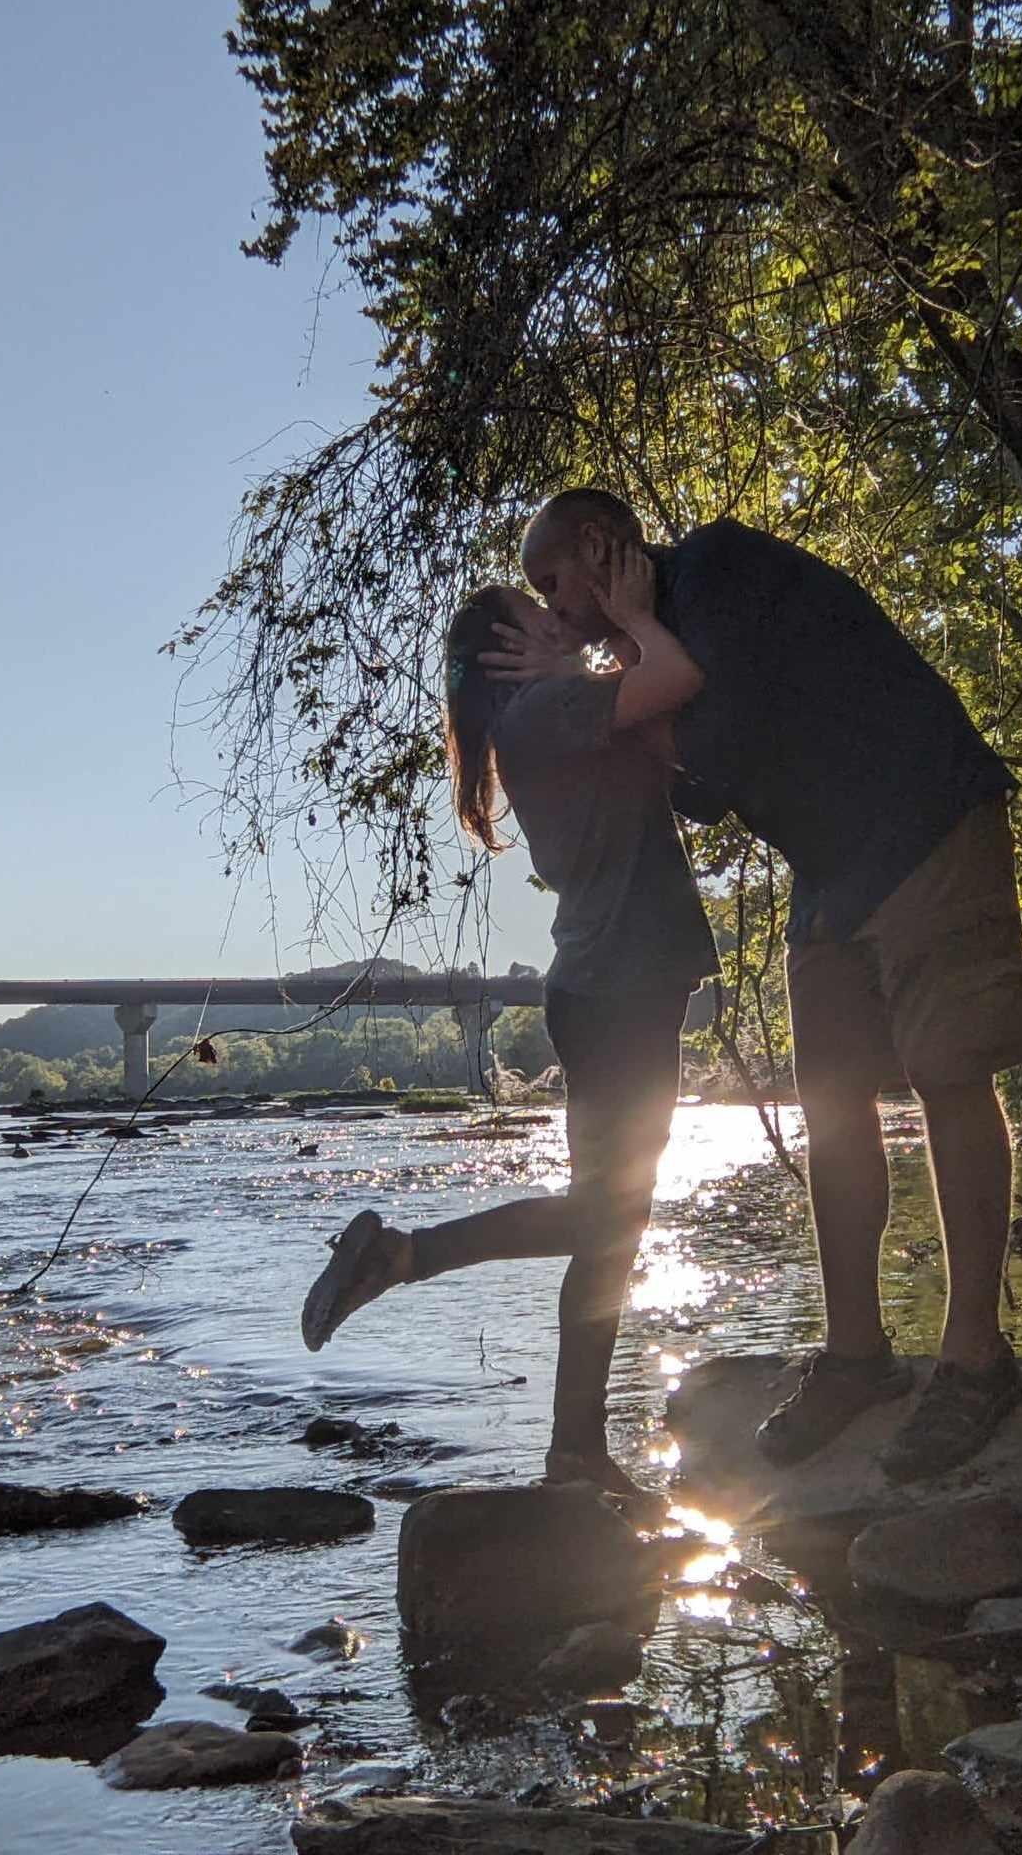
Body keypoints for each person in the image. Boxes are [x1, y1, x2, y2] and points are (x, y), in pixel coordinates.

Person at [511, 489, 1022, 1483]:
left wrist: (630, 640)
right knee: (833, 1105)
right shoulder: (657, 639)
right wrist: (627, 659)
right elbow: (704, 796)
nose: (552, 609)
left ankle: (977, 1357)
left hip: (927, 817)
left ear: (597, 548)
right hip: (833, 870)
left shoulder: (721, 568)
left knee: (951, 1075)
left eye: (552, 583)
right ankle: (856, 1358)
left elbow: (715, 742)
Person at [299, 545, 715, 1498]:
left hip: (608, 985)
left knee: (608, 1230)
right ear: (505, 654)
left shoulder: (542, 714)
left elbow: (660, 731)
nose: (559, 616)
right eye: (536, 615)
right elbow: (678, 676)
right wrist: (638, 619)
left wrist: (590, 658)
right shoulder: (551, 706)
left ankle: (575, 1453)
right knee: (607, 1220)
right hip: (621, 988)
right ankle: (404, 1256)